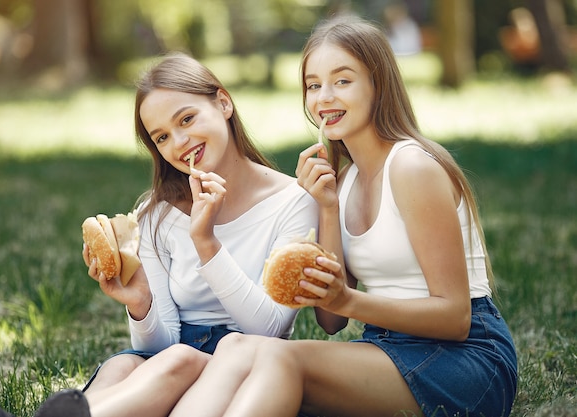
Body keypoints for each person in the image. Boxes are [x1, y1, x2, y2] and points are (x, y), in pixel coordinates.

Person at [168, 16, 518, 417]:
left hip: (465, 358)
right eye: (314, 86)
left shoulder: (411, 167)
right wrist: (329, 209)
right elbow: (331, 320)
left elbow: (455, 318)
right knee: (236, 346)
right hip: (385, 347)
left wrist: (349, 299)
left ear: (378, 83)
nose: (324, 98)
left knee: (283, 360)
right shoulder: (345, 180)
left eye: (343, 81)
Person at [0, 52, 318, 417]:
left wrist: (206, 243)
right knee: (122, 365)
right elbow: (159, 342)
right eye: (162, 137)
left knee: (180, 358)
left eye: (187, 118)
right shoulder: (157, 212)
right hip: (170, 364)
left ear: (223, 103)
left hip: (245, 366)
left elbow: (270, 327)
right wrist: (140, 303)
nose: (180, 142)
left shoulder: (292, 202)